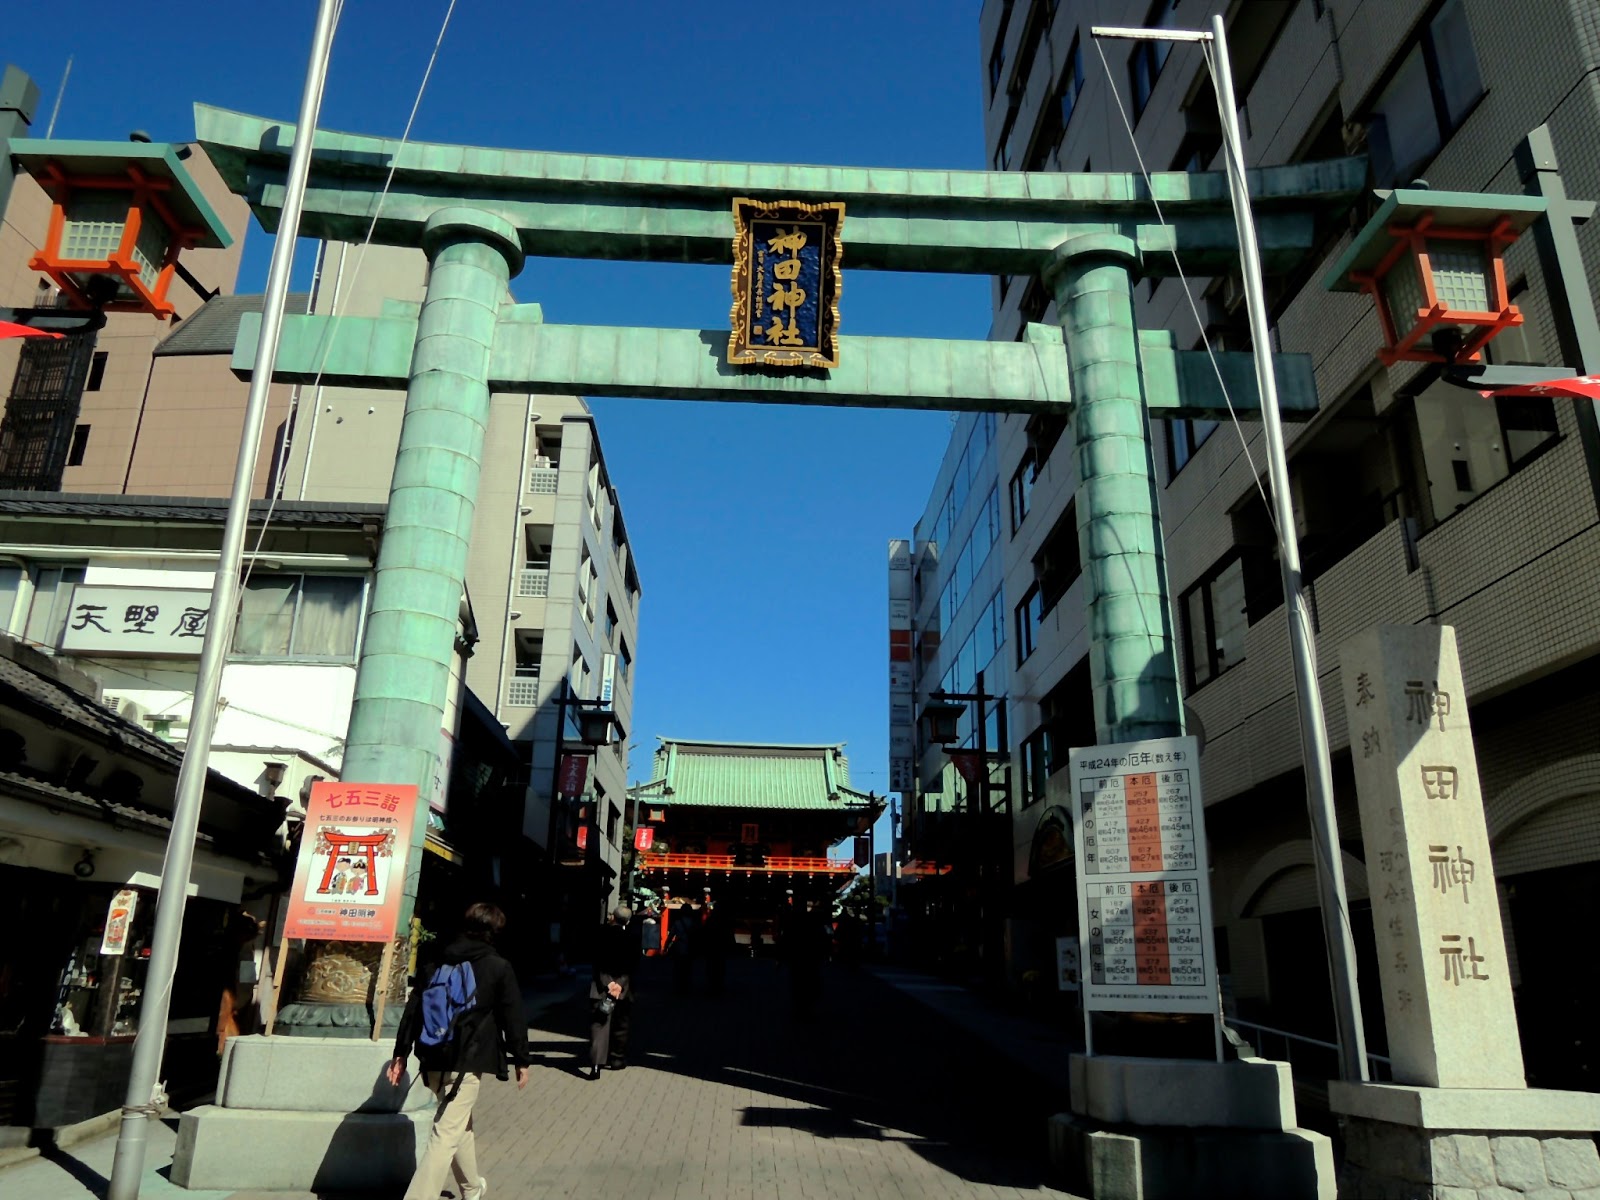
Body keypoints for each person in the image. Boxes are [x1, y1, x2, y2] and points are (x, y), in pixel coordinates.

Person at [388, 902, 530, 1200]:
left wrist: (400, 1053)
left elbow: (414, 1008)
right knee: (445, 1133)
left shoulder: (437, 959)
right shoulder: (497, 966)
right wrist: (521, 1058)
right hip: (469, 1059)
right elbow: (512, 1015)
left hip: (432, 1056)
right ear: (495, 931)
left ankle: (471, 1188)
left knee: (458, 1126)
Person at [588, 905, 639, 1080]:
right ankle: (617, 1059)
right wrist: (619, 984)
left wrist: (608, 983)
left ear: (613, 918)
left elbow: (597, 963)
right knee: (621, 1025)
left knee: (599, 1026)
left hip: (601, 988)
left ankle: (596, 1065)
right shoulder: (632, 939)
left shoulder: (601, 936)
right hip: (623, 989)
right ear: (628, 921)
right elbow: (632, 966)